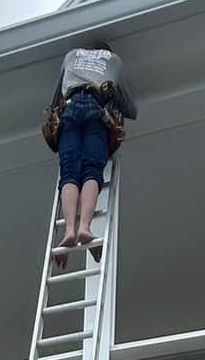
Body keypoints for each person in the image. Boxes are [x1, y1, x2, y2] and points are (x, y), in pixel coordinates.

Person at [43, 41, 137, 259]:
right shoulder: (113, 61)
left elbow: (56, 97)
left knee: (69, 173)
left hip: (70, 109)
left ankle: (68, 230)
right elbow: (130, 108)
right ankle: (84, 227)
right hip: (97, 111)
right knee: (92, 170)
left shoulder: (71, 55)